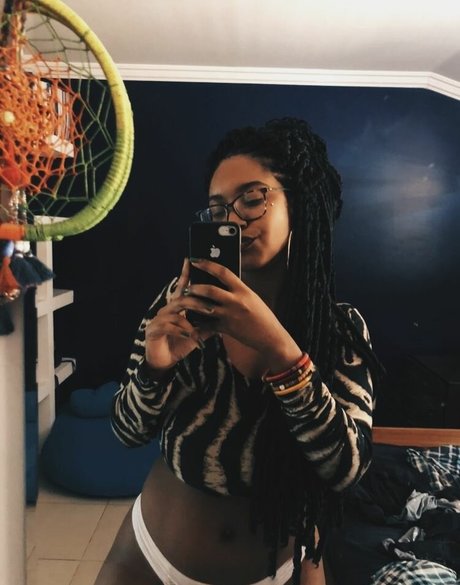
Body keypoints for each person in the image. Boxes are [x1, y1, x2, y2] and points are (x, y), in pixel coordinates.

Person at [95, 117, 383, 585]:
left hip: (279, 566)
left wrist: (281, 352)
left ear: (299, 206)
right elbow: (127, 432)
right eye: (216, 209)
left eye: (252, 199)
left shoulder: (338, 330)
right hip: (148, 556)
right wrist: (155, 369)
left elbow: (345, 469)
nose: (230, 220)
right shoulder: (182, 301)